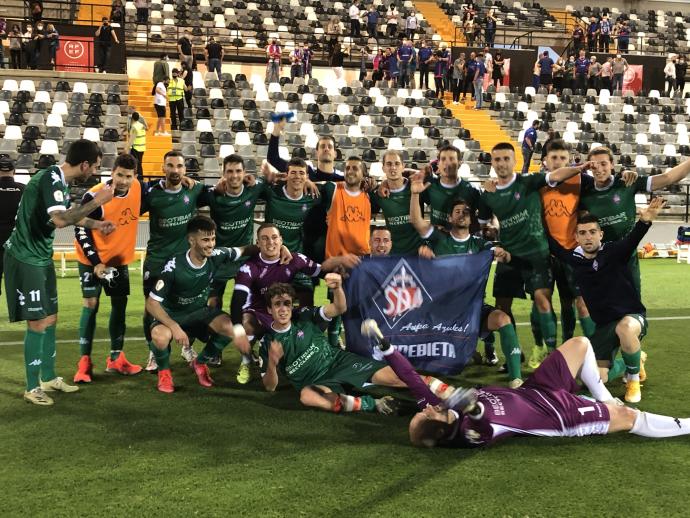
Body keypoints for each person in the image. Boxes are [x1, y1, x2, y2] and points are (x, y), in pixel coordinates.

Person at [369, 327, 690, 448]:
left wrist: (386, 348)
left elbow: (412, 379)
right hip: (558, 416)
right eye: (424, 415)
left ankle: (604, 398)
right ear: (439, 429)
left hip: (537, 389)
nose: (425, 408)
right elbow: (480, 424)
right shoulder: (465, 434)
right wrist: (473, 407)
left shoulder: (441, 406)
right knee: (628, 418)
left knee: (580, 344)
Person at [4, 140, 114, 406]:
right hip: (25, 257)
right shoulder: (52, 178)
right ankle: (32, 387)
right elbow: (61, 220)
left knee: (51, 317)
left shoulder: (59, 181)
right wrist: (98, 200)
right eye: (96, 166)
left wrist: (97, 225)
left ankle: (49, 377)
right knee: (38, 321)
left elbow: (69, 215)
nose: (95, 172)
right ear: (84, 164)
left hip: (41, 256)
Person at [548, 199, 667, 403]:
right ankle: (636, 359)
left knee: (625, 328)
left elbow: (632, 239)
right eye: (583, 233)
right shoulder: (573, 260)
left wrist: (645, 221)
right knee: (593, 379)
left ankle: (632, 379)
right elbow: (551, 243)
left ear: (600, 235)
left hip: (632, 318)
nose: (588, 237)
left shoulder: (614, 251)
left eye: (593, 232)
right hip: (604, 327)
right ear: (576, 237)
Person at [477, 143, 587, 359]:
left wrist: (580, 167)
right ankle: (514, 355)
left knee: (542, 300)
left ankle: (553, 356)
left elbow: (556, 174)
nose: (501, 164)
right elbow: (482, 225)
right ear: (492, 162)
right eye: (497, 159)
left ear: (515, 161)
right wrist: (490, 236)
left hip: (537, 254)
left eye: (506, 159)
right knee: (502, 307)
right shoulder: (487, 194)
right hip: (508, 256)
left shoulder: (528, 181)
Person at [410, 191, 523, 387]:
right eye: (457, 211)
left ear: (471, 218)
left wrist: (503, 254)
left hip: (473, 310)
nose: (462, 214)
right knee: (439, 365)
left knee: (503, 319)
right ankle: (474, 348)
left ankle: (516, 378)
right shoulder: (439, 240)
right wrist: (415, 193)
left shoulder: (480, 244)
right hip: (443, 313)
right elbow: (417, 221)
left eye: (466, 212)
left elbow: (504, 257)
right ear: (449, 217)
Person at [230, 223, 357, 382]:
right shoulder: (249, 267)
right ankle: (246, 361)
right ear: (258, 243)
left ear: (281, 240)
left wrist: (337, 271)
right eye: (265, 238)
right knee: (247, 325)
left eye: (274, 237)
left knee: (307, 326)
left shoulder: (295, 259)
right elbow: (237, 300)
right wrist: (238, 331)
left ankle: (306, 358)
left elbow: (321, 271)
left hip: (281, 310)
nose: (270, 242)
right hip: (258, 311)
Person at [146, 216, 253, 393]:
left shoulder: (217, 255)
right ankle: (164, 373)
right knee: (159, 335)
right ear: (191, 240)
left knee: (230, 328)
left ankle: (200, 363)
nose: (211, 244)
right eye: (205, 240)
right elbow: (151, 304)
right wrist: (174, 327)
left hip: (200, 312)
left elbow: (245, 249)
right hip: (173, 315)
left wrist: (280, 249)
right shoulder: (173, 267)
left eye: (213, 239)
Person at [579, 147, 690, 295]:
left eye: (604, 164)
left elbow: (668, 178)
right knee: (604, 309)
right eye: (594, 165)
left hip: (628, 258)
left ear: (612, 164)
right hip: (600, 259)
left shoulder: (627, 182)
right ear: (589, 166)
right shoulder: (584, 193)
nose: (599, 168)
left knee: (633, 307)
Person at [73, 154, 143, 383]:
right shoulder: (96, 195)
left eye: (128, 176)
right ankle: (84, 362)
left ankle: (116, 358)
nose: (123, 180)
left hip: (118, 261)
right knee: (91, 304)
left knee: (119, 305)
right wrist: (96, 262)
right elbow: (80, 227)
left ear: (135, 176)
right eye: (119, 175)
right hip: (91, 260)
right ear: (112, 173)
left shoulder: (138, 189)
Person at [197, 154, 269, 368]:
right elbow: (194, 192)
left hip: (244, 259)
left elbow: (277, 183)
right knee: (212, 305)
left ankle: (250, 349)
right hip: (218, 259)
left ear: (245, 174)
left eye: (238, 171)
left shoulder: (254, 189)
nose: (234, 176)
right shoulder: (213, 195)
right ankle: (213, 349)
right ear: (223, 174)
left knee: (251, 305)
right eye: (230, 171)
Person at [141, 150, 205, 370]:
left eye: (179, 166)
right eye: (170, 166)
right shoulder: (151, 194)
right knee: (151, 308)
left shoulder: (195, 189)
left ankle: (187, 347)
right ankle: (153, 351)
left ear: (185, 170)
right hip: (157, 261)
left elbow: (223, 190)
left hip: (182, 263)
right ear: (163, 168)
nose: (175, 170)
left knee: (188, 307)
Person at [370, 150, 423, 255]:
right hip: (393, 254)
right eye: (389, 164)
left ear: (403, 166)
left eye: (397, 164)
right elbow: (369, 216)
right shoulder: (379, 194)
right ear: (383, 168)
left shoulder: (416, 186)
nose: (393, 167)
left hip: (418, 253)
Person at [0, 157, 24, 296]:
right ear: (13, 171)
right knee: (18, 280)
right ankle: (21, 311)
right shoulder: (23, 189)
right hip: (16, 242)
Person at [127, 112, 146, 179]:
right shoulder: (141, 125)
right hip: (142, 148)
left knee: (135, 164)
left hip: (136, 148)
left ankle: (137, 178)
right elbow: (147, 127)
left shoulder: (134, 127)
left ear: (132, 118)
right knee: (139, 164)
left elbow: (132, 139)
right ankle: (140, 178)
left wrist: (127, 148)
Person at [167, 68, 185, 132]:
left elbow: (185, 88)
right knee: (173, 113)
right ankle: (174, 126)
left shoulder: (181, 80)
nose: (174, 73)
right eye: (173, 72)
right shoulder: (169, 81)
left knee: (181, 113)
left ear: (177, 73)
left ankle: (182, 125)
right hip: (172, 99)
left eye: (175, 72)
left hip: (179, 98)